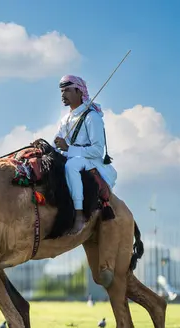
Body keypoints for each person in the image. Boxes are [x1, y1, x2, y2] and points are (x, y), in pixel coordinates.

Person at [53, 74, 117, 234]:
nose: (63, 95)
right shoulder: (65, 119)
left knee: (71, 166)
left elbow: (97, 150)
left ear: (80, 92)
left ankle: (79, 214)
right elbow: (59, 146)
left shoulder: (92, 117)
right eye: (61, 91)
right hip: (70, 156)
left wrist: (69, 149)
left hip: (91, 161)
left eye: (67, 90)